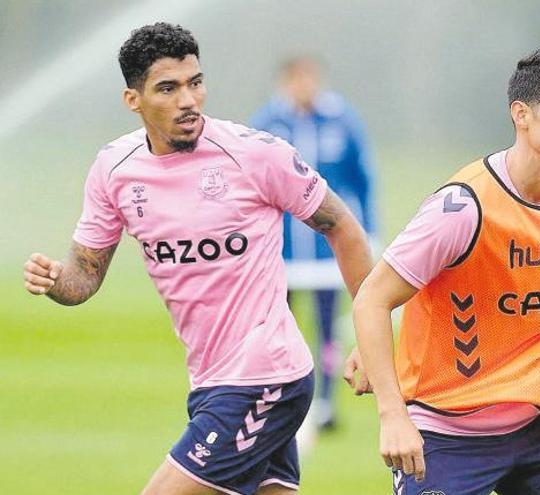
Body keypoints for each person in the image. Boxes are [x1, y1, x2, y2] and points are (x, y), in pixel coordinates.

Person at [21, 23, 372, 495]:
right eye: (168, 88)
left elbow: (342, 226)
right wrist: (56, 280)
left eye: (195, 82)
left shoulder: (254, 154)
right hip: (210, 380)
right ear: (134, 100)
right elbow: (84, 275)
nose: (188, 100)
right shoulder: (114, 169)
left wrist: (371, 339)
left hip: (265, 376)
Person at [351, 48, 540, 495]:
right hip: (448, 433)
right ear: (521, 115)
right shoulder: (464, 208)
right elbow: (373, 298)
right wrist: (393, 416)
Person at [250, 56, 377, 431]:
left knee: (327, 329)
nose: (304, 86)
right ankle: (279, 398)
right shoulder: (268, 122)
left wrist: (370, 232)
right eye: (296, 79)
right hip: (282, 250)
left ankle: (325, 402)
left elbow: (362, 179)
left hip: (328, 252)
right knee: (278, 328)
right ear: (285, 82)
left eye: (310, 78)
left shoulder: (341, 119)